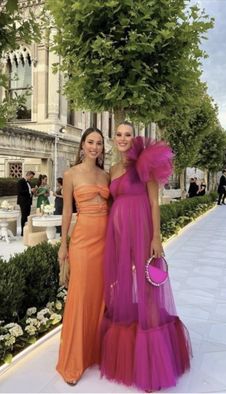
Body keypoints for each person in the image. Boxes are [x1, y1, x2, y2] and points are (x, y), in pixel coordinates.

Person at [100, 122, 192, 392]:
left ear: (134, 138)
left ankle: (152, 363)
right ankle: (127, 352)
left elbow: (153, 202)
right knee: (122, 288)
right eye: (118, 134)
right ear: (113, 138)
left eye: (128, 134)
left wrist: (156, 237)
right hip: (118, 236)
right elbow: (112, 203)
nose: (123, 138)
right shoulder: (113, 169)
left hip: (141, 232)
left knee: (148, 288)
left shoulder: (145, 162)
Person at [56, 127, 109, 385]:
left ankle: (92, 352)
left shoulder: (106, 175)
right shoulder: (71, 174)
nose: (94, 147)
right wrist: (63, 245)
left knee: (100, 297)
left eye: (99, 143)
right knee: (80, 296)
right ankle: (74, 361)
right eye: (90, 142)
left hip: (105, 241)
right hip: (82, 241)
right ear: (82, 144)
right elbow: (67, 212)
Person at [17, 170, 36, 236]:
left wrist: (32, 191)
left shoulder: (29, 182)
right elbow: (20, 191)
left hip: (28, 202)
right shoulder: (21, 181)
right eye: (31, 177)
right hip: (23, 202)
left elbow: (29, 192)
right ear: (28, 175)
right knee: (24, 216)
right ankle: (23, 232)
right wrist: (30, 190)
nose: (31, 178)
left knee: (27, 216)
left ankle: (26, 230)